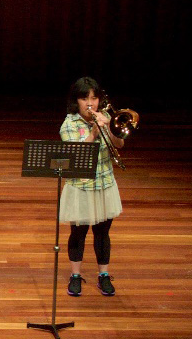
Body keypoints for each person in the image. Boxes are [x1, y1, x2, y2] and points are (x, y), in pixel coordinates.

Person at [59, 77, 123, 297]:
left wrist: (110, 128)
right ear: (76, 101)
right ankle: (75, 275)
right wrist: (94, 132)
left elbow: (120, 144)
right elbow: (77, 155)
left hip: (104, 183)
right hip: (81, 186)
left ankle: (103, 275)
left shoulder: (105, 117)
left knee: (103, 233)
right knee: (78, 232)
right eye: (85, 98)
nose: (90, 103)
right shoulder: (69, 124)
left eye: (94, 98)